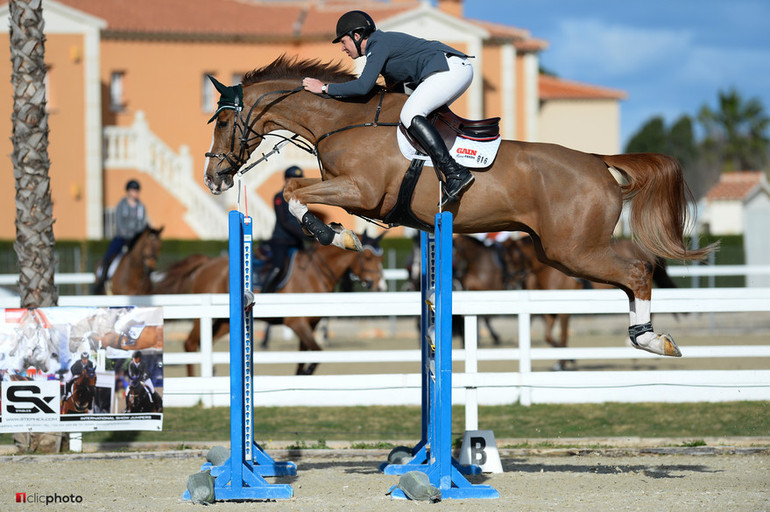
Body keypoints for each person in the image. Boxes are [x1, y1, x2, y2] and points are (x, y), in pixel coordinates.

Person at [302, 10, 475, 207]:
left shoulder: (378, 44)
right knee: (413, 116)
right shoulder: (381, 48)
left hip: (449, 70)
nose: (343, 48)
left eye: (343, 42)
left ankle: (455, 173)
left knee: (411, 114)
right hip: (449, 70)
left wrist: (324, 88)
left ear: (356, 36)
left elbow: (362, 86)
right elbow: (392, 94)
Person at [262, 166, 311, 292]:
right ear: (286, 179)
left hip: (297, 242)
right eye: (293, 178)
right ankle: (264, 294)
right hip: (281, 241)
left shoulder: (301, 199)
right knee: (277, 268)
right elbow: (284, 222)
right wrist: (304, 234)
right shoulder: (279, 197)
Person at [95, 179, 149, 292]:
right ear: (128, 191)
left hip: (136, 238)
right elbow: (119, 223)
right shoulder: (121, 205)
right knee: (109, 256)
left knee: (147, 256)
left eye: (137, 190)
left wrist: (136, 234)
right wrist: (128, 233)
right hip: (122, 237)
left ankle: (148, 281)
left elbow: (142, 223)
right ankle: (102, 282)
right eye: (133, 190)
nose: (135, 192)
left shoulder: (141, 207)